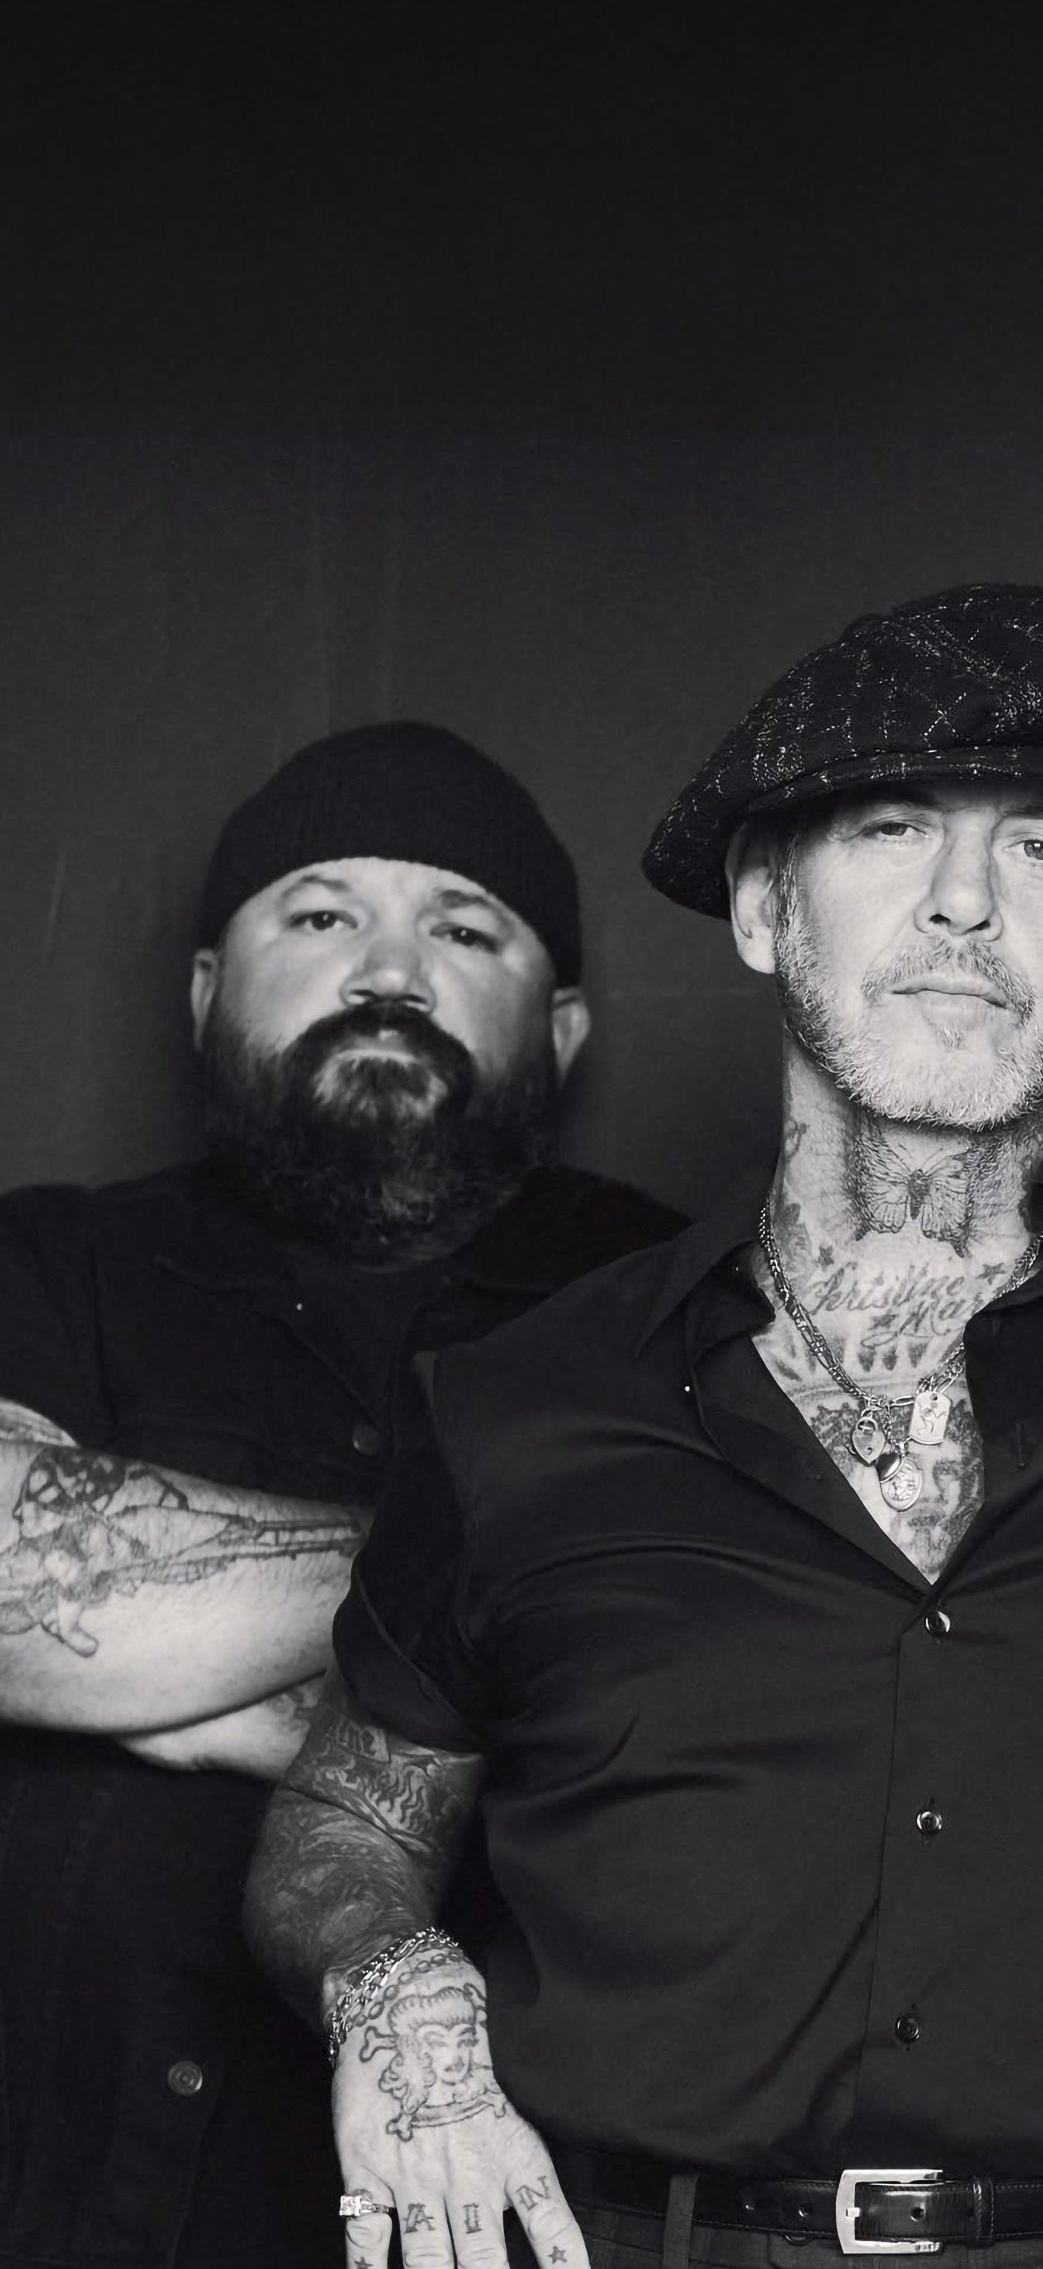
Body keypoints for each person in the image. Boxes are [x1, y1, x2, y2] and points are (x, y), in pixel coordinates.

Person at [244, 583, 1043, 2269]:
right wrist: (385, 1974)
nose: (963, 902)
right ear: (762, 908)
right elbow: (345, 1820)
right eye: (889, 830)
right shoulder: (525, 1396)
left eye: (1038, 851)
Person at [0, 720, 681, 2269]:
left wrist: (157, 1663)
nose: (388, 972)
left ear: (565, 1023)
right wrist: (486, 1656)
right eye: (319, 914)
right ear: (203, 990)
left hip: (530, 2218)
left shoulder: (679, 1299)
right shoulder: (49, 1263)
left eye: (464, 928)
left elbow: (769, 1677)